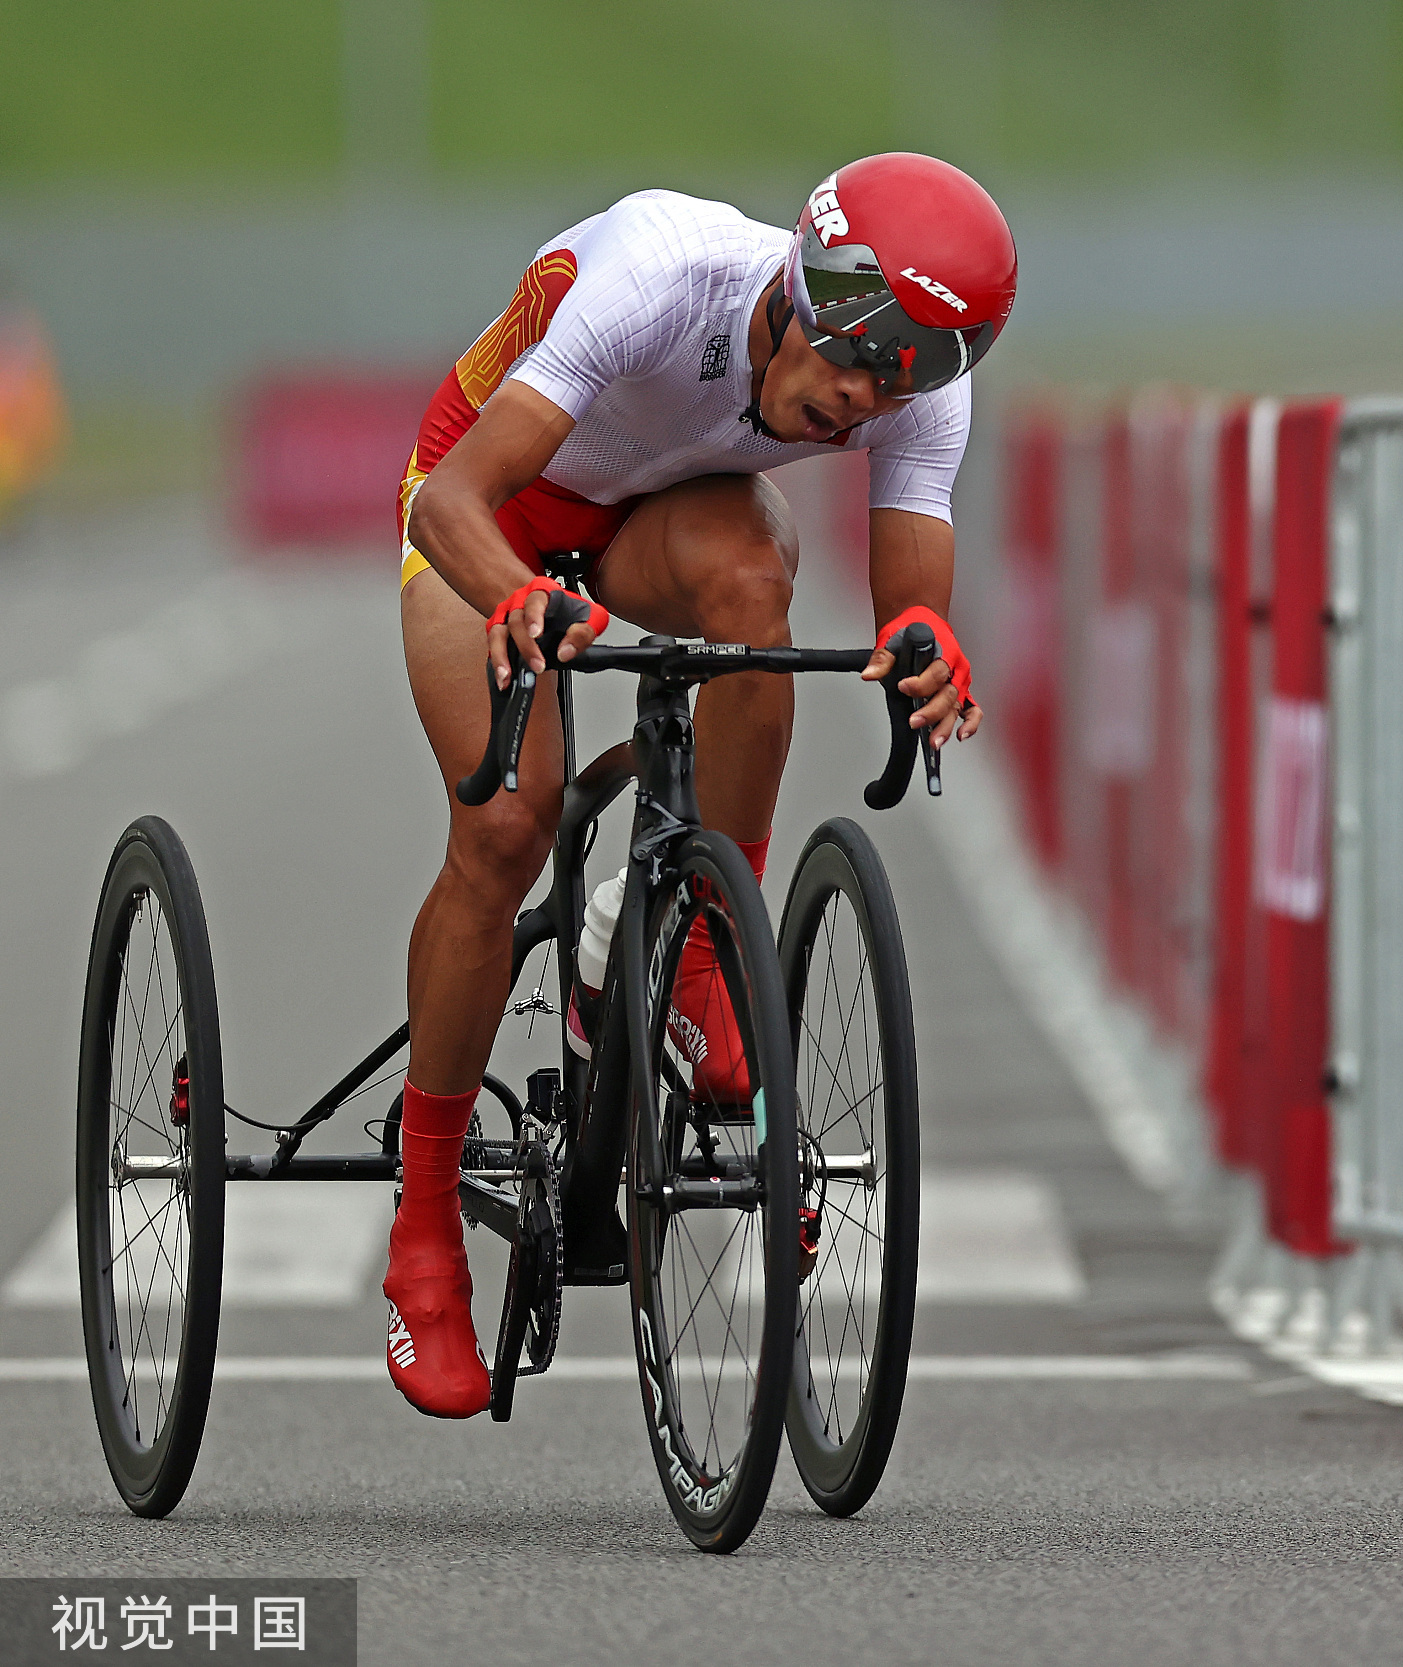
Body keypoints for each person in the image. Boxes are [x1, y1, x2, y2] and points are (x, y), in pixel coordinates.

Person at [385, 153, 1015, 1417]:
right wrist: (514, 596)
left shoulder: (911, 380)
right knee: (506, 826)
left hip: (653, 519)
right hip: (497, 509)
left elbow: (910, 602)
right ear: (800, 286)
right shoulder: (657, 274)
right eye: (849, 362)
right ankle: (424, 1221)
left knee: (752, 591)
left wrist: (928, 651)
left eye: (897, 380)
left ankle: (698, 945)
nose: (857, 404)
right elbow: (457, 495)